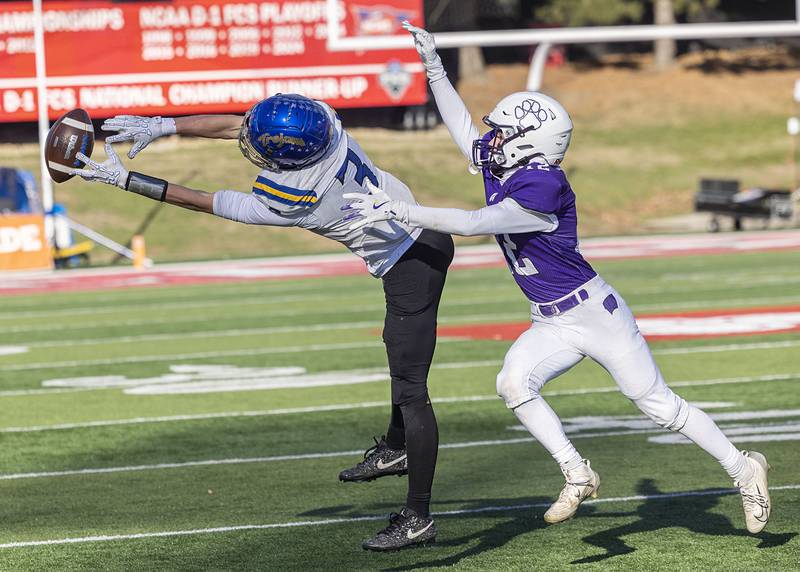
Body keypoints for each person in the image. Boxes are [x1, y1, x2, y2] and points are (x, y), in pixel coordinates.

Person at [341, 22, 771, 534]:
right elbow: (460, 128)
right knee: (513, 382)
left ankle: (745, 469)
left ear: (530, 142)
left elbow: (479, 223)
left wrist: (402, 209)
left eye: (504, 132)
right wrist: (434, 65)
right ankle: (577, 473)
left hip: (594, 313)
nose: (493, 139)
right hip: (549, 318)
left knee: (659, 406)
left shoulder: (543, 185)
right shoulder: (507, 168)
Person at [70, 93, 453, 551]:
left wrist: (126, 180)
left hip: (410, 265)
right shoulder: (324, 127)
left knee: (412, 391)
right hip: (420, 236)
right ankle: (395, 449)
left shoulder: (292, 199)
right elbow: (241, 126)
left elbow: (206, 201)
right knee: (397, 351)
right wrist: (162, 125)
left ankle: (418, 516)